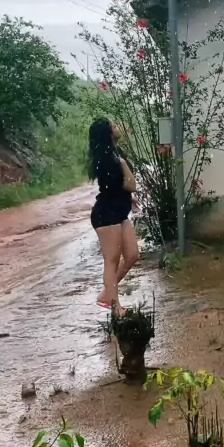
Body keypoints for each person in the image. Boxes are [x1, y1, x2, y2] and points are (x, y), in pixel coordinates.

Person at [87, 118, 139, 314]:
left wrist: (129, 200)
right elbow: (131, 185)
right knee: (112, 259)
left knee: (132, 255)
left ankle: (107, 293)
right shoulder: (108, 159)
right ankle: (115, 307)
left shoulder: (116, 153)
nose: (118, 127)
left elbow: (118, 187)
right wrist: (124, 165)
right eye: (114, 126)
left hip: (119, 212)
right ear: (108, 134)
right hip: (106, 214)